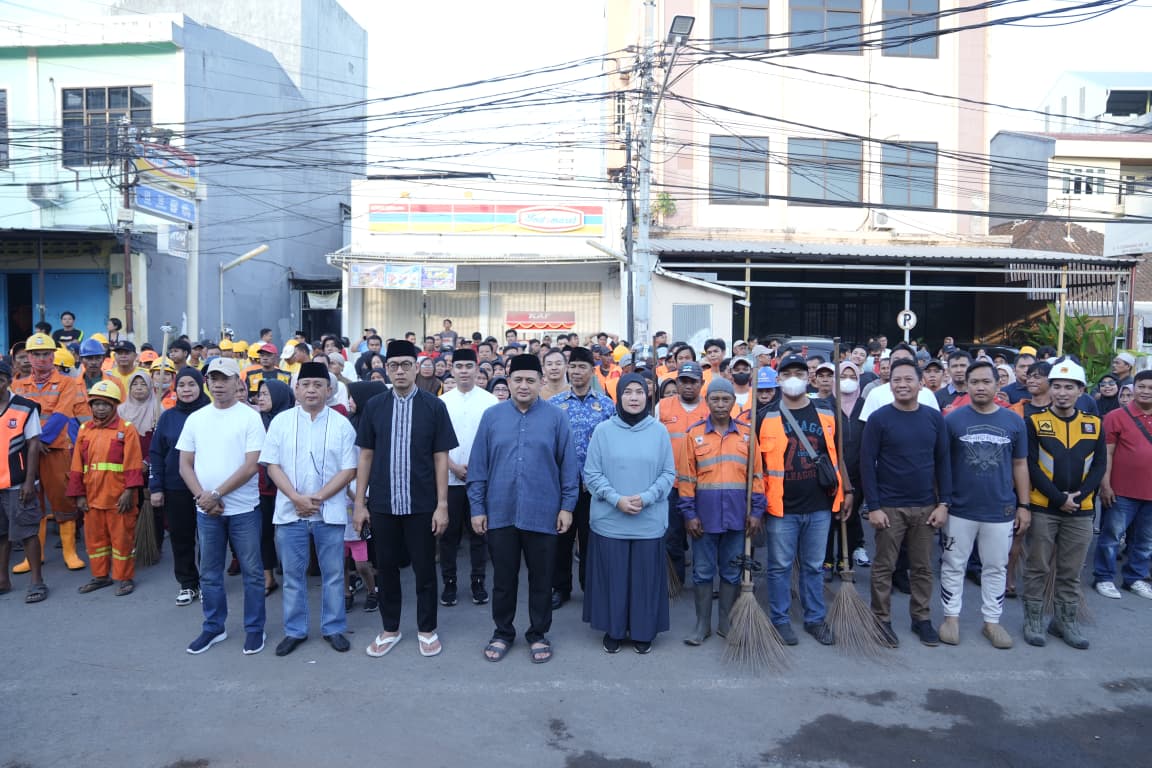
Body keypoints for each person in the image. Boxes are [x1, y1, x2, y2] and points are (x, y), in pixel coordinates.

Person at [468, 353, 578, 664]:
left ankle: (538, 633)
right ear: (508, 382)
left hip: (543, 511)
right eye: (518, 380)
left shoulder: (556, 418)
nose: (524, 385)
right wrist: (477, 507)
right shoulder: (492, 417)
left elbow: (568, 466)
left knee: (542, 579)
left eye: (530, 380)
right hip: (500, 511)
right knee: (503, 579)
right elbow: (478, 466)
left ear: (541, 382)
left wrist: (567, 507)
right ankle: (503, 632)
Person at [353, 339, 457, 659]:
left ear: (416, 368)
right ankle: (390, 629)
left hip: (421, 504)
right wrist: (360, 503)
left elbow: (441, 458)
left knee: (424, 570)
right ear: (386, 369)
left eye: (406, 365)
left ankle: (427, 629)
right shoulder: (375, 406)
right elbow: (366, 456)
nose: (400, 371)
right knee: (386, 568)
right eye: (394, 365)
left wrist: (442, 505)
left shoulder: (434, 406)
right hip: (383, 503)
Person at [261, 362, 358, 656]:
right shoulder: (281, 422)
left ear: (329, 390)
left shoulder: (342, 424)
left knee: (333, 575)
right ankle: (295, 630)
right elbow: (271, 465)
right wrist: (295, 498)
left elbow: (349, 469)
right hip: (290, 511)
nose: (311, 390)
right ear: (296, 389)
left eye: (318, 385)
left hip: (330, 512)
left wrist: (316, 498)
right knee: (292, 576)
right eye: (306, 385)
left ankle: (334, 628)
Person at [178, 358, 267, 655]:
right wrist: (202, 497)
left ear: (237, 382)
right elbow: (185, 464)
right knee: (210, 573)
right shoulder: (196, 419)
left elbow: (252, 465)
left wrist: (215, 493)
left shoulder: (250, 418)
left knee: (253, 573)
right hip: (207, 511)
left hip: (244, 510)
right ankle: (214, 627)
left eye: (224, 378)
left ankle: (255, 629)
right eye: (213, 378)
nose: (217, 384)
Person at [939, 361, 1030, 649]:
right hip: (959, 508)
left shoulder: (1014, 421)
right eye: (974, 382)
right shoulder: (952, 421)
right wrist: (942, 502)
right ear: (966, 385)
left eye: (986, 381)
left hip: (1000, 509)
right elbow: (941, 465)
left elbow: (1020, 464)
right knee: (953, 564)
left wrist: (1024, 505)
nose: (980, 387)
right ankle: (951, 617)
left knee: (996, 567)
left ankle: (992, 621)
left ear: (998, 384)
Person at [860, 360, 951, 647]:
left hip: (926, 506)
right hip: (889, 506)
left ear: (920, 383)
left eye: (908, 379)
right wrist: (873, 506)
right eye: (896, 380)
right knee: (884, 566)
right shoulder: (879, 419)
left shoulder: (933, 418)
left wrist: (944, 503)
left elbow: (943, 462)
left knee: (922, 568)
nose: (902, 384)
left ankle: (921, 619)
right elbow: (866, 464)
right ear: (889, 384)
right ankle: (881, 619)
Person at [582, 375, 676, 653]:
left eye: (639, 392)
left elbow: (668, 473)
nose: (634, 397)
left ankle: (643, 631)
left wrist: (647, 498)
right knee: (613, 578)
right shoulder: (603, 431)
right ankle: (614, 629)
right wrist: (616, 500)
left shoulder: (659, 431)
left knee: (644, 580)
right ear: (619, 396)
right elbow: (592, 473)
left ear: (647, 397)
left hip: (648, 520)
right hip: (610, 520)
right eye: (628, 392)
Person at [758, 354, 845, 646]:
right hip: (781, 508)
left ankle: (815, 619)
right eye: (787, 373)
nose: (793, 378)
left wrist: (846, 493)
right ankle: (780, 620)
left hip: (820, 505)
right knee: (779, 566)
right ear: (778, 379)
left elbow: (838, 455)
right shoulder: (765, 416)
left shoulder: (827, 412)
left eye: (799, 372)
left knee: (813, 566)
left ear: (809, 378)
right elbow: (757, 467)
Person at [1022, 359, 1104, 649]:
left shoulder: (1094, 424)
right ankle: (1033, 620)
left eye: (1069, 387)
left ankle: (1064, 621)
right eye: (1056, 386)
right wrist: (1059, 498)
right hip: (1044, 507)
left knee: (1071, 571)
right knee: (1037, 567)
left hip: (1081, 511)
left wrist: (1078, 498)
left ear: (1081, 391)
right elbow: (1031, 465)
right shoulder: (1034, 422)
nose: (1062, 393)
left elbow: (1099, 467)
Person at [679, 376, 765, 645]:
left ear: (733, 402)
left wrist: (756, 512)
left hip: (738, 518)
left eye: (725, 399)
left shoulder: (747, 435)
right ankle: (702, 625)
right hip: (704, 520)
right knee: (702, 572)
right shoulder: (694, 435)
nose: (720, 404)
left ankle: (725, 623)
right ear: (707, 401)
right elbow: (686, 478)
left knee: (731, 572)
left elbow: (757, 476)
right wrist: (689, 514)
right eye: (715, 399)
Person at [12, 333, 91, 574]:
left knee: (62, 499)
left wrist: (40, 440)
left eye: (46, 354)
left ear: (53, 356)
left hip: (55, 449)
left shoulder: (67, 383)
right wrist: (33, 443)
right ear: (28, 357)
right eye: (36, 354)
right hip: (27, 451)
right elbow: (16, 418)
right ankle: (35, 556)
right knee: (31, 502)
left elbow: (62, 414)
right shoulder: (18, 385)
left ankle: (69, 552)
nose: (41, 359)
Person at [548, 346, 615, 610]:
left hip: (593, 486)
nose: (576, 371)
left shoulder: (606, 405)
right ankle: (560, 587)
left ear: (592, 371)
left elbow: (612, 444)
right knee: (561, 538)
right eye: (573, 366)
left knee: (590, 539)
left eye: (582, 367)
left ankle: (590, 587)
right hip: (562, 484)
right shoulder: (554, 405)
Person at [67, 380, 145, 597]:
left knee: (122, 540)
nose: (100, 408)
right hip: (92, 498)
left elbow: (133, 462)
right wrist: (79, 495)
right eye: (96, 404)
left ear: (114, 406)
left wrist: (129, 492)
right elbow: (76, 465)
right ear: (90, 406)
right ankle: (101, 576)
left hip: (119, 498)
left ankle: (124, 578)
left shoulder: (126, 429)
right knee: (95, 541)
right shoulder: (84, 430)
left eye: (105, 404)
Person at [438, 348, 498, 607]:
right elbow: (435, 443)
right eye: (459, 366)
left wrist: (475, 468)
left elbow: (494, 442)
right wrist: (452, 466)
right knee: (448, 535)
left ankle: (478, 581)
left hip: (480, 479)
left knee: (479, 533)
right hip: (449, 480)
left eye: (468, 366)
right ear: (451, 369)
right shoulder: (442, 402)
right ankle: (449, 583)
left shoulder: (490, 402)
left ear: (477, 368)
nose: (463, 371)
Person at [150, 366, 211, 606]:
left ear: (200, 386)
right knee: (181, 537)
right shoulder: (168, 417)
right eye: (182, 385)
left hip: (207, 487)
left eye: (192, 385)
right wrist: (156, 487)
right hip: (176, 487)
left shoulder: (212, 413)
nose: (187, 390)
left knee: (208, 538)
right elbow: (156, 453)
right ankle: (187, 583)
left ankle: (208, 582)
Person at [1092, 369, 1152, 601]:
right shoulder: (1116, 416)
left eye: (1150, 388)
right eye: (1141, 386)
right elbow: (1106, 453)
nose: (1146, 391)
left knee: (1145, 541)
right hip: (1121, 491)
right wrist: (1105, 485)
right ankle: (1103, 577)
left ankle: (1135, 578)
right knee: (1111, 538)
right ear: (1133, 388)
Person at [656, 360, 707, 585]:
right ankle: (674, 581)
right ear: (676, 382)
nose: (688, 386)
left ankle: (703, 582)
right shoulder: (662, 406)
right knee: (672, 536)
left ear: (701, 383)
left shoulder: (710, 407)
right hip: (671, 484)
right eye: (683, 381)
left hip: (702, 484)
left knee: (703, 534)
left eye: (693, 382)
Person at [0, 361, 45, 603]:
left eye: (0, 380)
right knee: (1, 534)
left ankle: (37, 581)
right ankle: (3, 580)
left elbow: (34, 445)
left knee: (27, 532)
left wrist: (29, 482)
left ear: (9, 381)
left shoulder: (25, 407)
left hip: (18, 483)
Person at [256, 380, 295, 594]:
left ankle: (292, 571)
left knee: (288, 532)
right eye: (259, 394)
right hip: (262, 487)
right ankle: (268, 577)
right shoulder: (255, 422)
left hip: (287, 486)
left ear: (279, 397)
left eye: (266, 394)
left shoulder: (291, 422)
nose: (260, 398)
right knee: (264, 533)